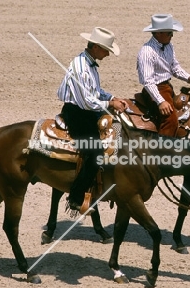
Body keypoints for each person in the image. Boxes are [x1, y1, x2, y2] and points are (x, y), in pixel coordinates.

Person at [57, 27, 128, 214]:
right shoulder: (81, 68)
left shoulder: (89, 64)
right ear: (96, 47)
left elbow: (96, 92)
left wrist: (114, 97)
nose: (107, 54)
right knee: (95, 151)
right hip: (77, 113)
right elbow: (87, 102)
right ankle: (75, 197)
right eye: (106, 50)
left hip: (86, 110)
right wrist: (111, 103)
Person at [137, 14, 190, 137]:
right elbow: (148, 82)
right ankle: (161, 153)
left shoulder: (169, 46)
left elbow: (174, 68)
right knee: (170, 120)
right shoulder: (147, 51)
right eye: (169, 33)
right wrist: (160, 101)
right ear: (158, 33)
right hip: (155, 90)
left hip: (167, 88)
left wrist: (189, 78)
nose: (172, 35)